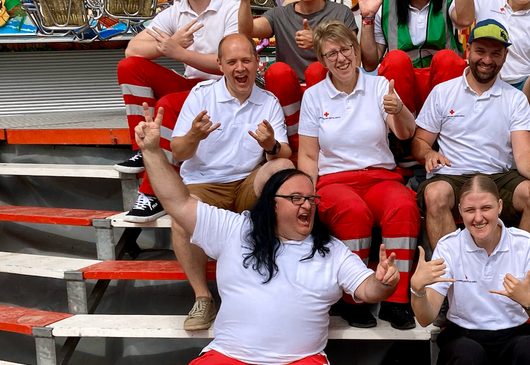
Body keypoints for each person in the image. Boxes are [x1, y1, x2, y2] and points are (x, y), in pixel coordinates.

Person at [133, 102, 401, 365]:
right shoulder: (235, 230)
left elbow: (368, 289)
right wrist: (153, 152)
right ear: (272, 203)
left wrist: (384, 282)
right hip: (227, 357)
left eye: (311, 198)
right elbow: (178, 203)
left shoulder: (330, 250)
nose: (307, 204)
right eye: (296, 198)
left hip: (300, 360)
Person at [298, 19, 420, 330]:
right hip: (335, 180)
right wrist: (306, 194)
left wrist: (399, 109)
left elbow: (405, 133)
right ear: (321, 60)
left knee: (404, 206)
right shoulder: (314, 97)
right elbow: (309, 155)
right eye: (331, 54)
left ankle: (397, 299)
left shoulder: (379, 87)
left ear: (355, 49)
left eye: (346, 49)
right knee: (353, 212)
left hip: (379, 176)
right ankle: (353, 300)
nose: (341, 58)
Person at [170, 34, 295, 331]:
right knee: (180, 217)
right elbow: (177, 152)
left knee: (284, 167)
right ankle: (203, 298)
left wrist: (271, 145)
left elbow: (285, 153)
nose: (240, 68)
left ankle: (281, 281)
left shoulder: (268, 101)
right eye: (232, 62)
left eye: (246, 60)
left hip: (245, 185)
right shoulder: (201, 96)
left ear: (257, 63)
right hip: (205, 183)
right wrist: (193, 136)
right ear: (220, 65)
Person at [413, 19, 530, 250]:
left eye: (495, 54)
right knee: (435, 194)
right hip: (452, 176)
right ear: (467, 50)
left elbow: (524, 150)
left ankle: (524, 276)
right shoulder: (443, 92)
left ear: (505, 57)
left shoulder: (515, 99)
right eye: (480, 51)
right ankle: (450, 277)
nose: (487, 60)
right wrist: (427, 153)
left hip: (497, 176)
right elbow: (419, 141)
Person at [410, 175, 530, 365]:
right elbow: (425, 318)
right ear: (460, 211)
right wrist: (417, 290)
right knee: (467, 354)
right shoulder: (449, 246)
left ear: (500, 206)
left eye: (486, 208)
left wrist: (527, 300)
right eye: (470, 210)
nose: (478, 218)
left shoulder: (523, 242)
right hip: (464, 336)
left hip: (514, 333)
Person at [115, 0, 239, 222]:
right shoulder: (177, 11)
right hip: (192, 85)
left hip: (223, 89)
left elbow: (232, 63)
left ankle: (154, 194)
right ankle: (142, 149)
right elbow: (132, 49)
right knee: (129, 67)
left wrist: (178, 52)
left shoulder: (231, 7)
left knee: (168, 104)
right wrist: (170, 44)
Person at [238, 0, 357, 152]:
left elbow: (354, 57)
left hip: (329, 87)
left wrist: (318, 41)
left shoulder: (341, 12)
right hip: (290, 91)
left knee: (317, 70)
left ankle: (326, 140)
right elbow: (247, 30)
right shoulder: (279, 14)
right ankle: (292, 144)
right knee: (277, 71)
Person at [358, 0, 467, 114]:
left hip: (441, 84)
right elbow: (370, 65)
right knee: (395, 59)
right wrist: (368, 17)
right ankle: (399, 125)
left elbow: (465, 21)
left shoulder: (449, 3)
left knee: (447, 58)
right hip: (402, 92)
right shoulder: (385, 6)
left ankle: (449, 122)